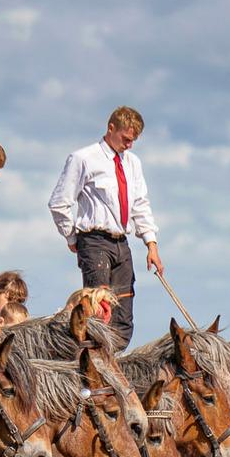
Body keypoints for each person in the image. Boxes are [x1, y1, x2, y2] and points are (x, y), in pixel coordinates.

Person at [48, 105, 165, 341]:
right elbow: (59, 202)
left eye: (133, 141)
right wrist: (72, 237)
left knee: (123, 318)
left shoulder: (133, 163)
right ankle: (90, 356)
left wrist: (151, 244)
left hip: (121, 242)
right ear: (111, 128)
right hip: (94, 241)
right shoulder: (83, 158)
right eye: (126, 139)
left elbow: (140, 204)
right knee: (100, 312)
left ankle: (113, 357)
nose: (129, 145)